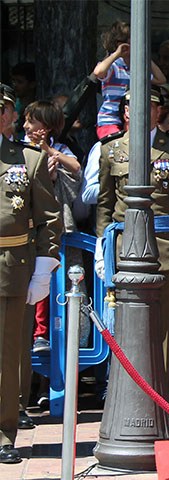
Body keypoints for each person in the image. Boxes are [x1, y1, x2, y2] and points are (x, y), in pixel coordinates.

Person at [94, 86, 169, 403]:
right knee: (127, 329)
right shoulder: (110, 150)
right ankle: (127, 400)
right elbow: (104, 205)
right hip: (125, 247)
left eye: (150, 105)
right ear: (125, 112)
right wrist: (100, 248)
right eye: (135, 106)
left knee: (165, 330)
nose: (143, 110)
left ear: (159, 111)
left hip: (168, 246)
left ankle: (163, 405)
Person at [0, 82, 62, 464]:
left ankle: (4, 432)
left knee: (8, 355)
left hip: (10, 266)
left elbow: (49, 219)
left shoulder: (28, 159)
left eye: (2, 108)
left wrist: (44, 265)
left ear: (9, 114)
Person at [22, 100, 83, 354]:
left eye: (31, 121)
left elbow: (77, 170)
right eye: (24, 120)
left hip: (53, 229)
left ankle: (47, 334)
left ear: (45, 127)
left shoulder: (59, 150)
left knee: (51, 282)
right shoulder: (17, 149)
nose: (25, 126)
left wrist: (48, 150)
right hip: (23, 227)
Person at [93, 21, 166, 138]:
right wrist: (117, 53)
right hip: (110, 120)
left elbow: (160, 79)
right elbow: (98, 72)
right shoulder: (114, 66)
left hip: (130, 121)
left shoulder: (137, 69)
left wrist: (146, 56)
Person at [10, 63, 36, 136]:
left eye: (19, 82)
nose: (15, 85)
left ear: (32, 84)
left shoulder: (39, 108)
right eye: (13, 81)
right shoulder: (11, 105)